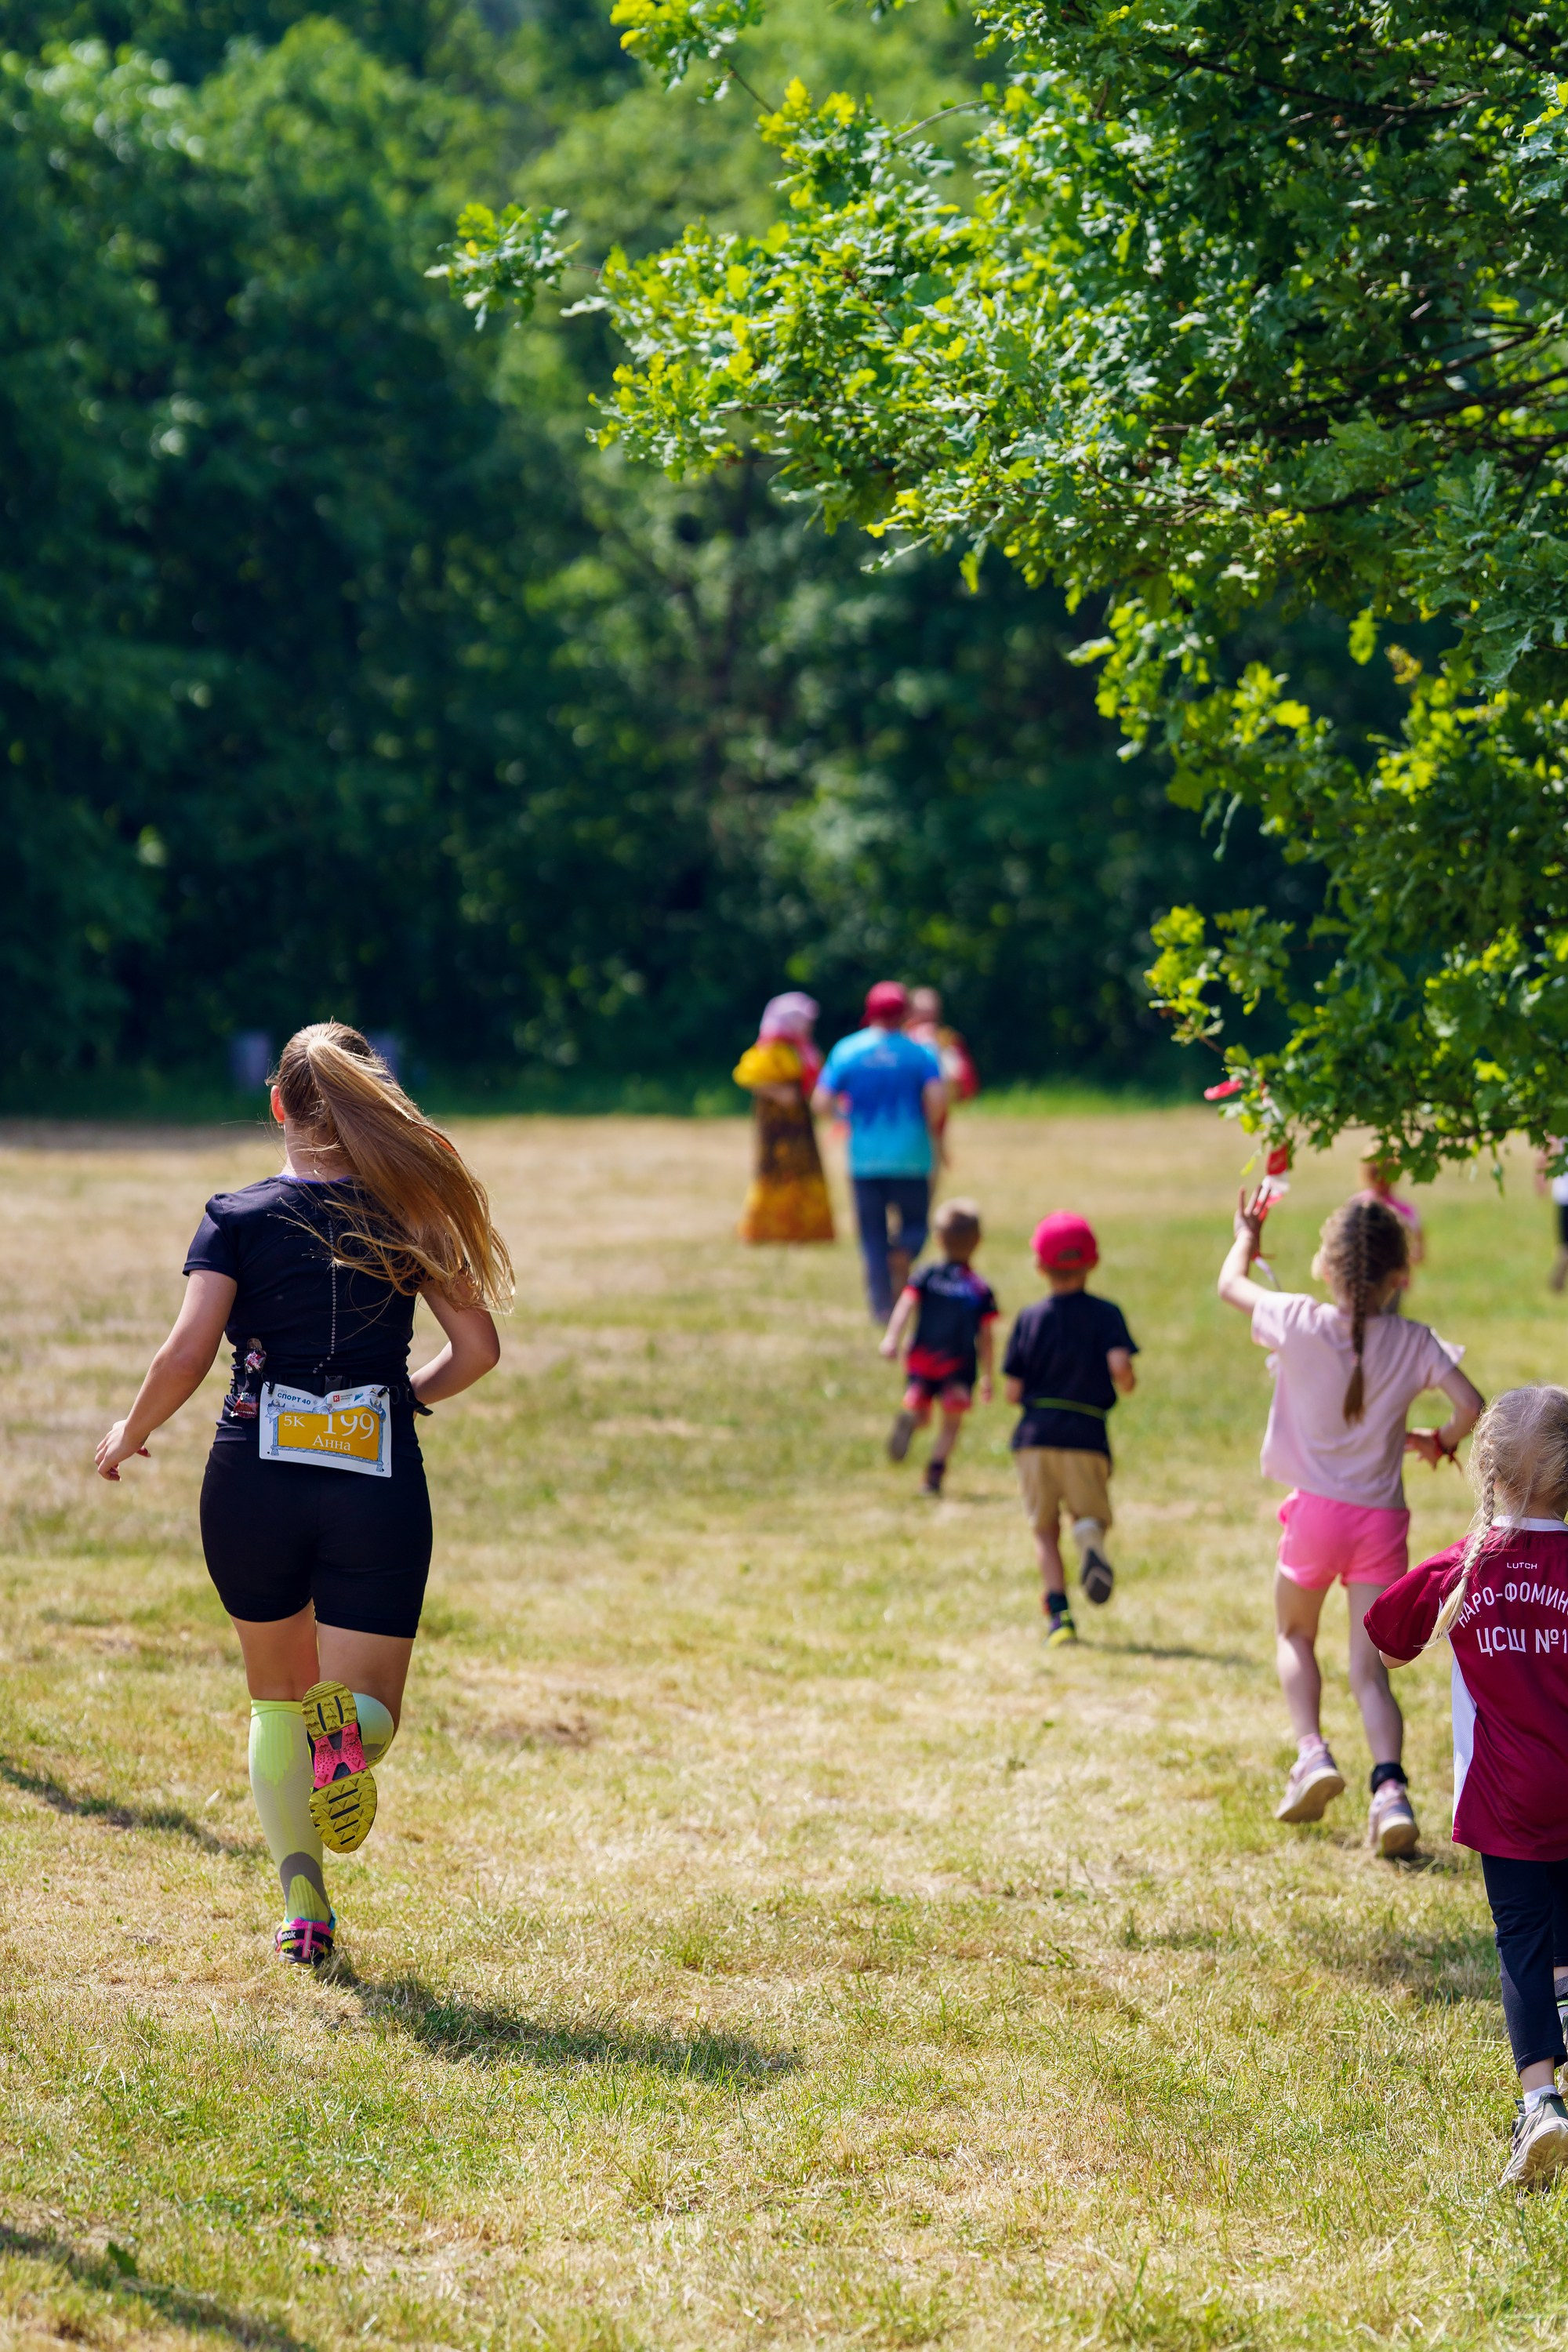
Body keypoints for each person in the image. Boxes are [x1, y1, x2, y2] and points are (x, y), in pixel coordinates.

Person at [94, 1022, 511, 1969]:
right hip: (374, 1482)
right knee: (364, 1713)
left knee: (277, 1702)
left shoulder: (234, 1216)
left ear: (278, 1104)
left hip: (253, 1479)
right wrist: (405, 1398)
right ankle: (350, 1739)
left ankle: (304, 1910)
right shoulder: (412, 1216)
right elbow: (478, 1351)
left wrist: (132, 1428)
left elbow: (186, 1352)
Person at [1218, 1189, 1482, 1852]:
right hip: (1381, 1524)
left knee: (1294, 1633)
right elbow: (1471, 1405)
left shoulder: (1296, 1319)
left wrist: (1247, 1237)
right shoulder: (1414, 1340)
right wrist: (1440, 1441)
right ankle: (1390, 1790)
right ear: (1399, 1276)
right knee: (1370, 1672)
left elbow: (1229, 1285)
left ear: (1326, 1267)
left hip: (1315, 1517)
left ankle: (1312, 1753)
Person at [1367, 1386, 1568, 2187]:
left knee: (1521, 1939)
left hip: (1505, 1794)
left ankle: (1540, 2103)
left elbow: (1387, 1640)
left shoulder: (1470, 1562)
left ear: (1489, 1474)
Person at [1002, 1212, 1137, 1649]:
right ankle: (1089, 1535)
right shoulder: (1106, 1314)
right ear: (1092, 1263)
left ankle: (1059, 1618)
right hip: (1086, 1434)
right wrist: (1127, 1381)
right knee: (1087, 1515)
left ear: (1039, 1266)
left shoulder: (1030, 1318)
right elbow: (1120, 1366)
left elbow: (1012, 1390)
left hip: (1035, 1438)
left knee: (1044, 1530)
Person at [814, 982, 945, 1320]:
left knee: (872, 1234)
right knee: (915, 1224)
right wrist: (924, 1127)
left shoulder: (848, 1050)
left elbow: (821, 1102)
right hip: (912, 1155)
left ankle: (881, 1306)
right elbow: (937, 1101)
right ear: (905, 1013)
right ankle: (904, 1253)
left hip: (864, 1157)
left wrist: (846, 1119)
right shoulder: (920, 1053)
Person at [879, 1198, 997, 1496]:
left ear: (938, 1238)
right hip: (958, 1366)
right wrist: (987, 1375)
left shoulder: (925, 1275)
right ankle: (933, 1476)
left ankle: (912, 1419)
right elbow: (986, 1337)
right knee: (951, 1423)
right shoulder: (978, 1289)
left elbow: (905, 1305)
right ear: (978, 1241)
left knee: (922, 1411)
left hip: (922, 1358)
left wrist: (892, 1338)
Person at [731, 993, 834, 1244]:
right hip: (777, 1124)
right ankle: (768, 1230)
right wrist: (778, 1092)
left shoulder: (803, 1048)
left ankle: (805, 1230)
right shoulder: (770, 1047)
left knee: (803, 1169)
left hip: (800, 1122)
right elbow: (745, 1075)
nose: (809, 1025)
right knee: (774, 1170)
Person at [905, 988, 978, 1105]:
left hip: (945, 1100)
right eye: (922, 1013)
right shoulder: (902, 1039)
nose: (927, 1017)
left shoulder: (949, 1039)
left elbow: (967, 1080)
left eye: (930, 1012)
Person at [1355, 1149, 1425, 1269]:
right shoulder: (1359, 1205)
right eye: (1376, 1174)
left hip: (1396, 1272)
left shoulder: (1405, 1210)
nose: (1382, 1180)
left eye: (1387, 1174)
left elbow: (1419, 1249)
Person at [1533, 1143, 1568, 1293]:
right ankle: (1560, 1272)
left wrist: (1540, 1175)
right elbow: (1547, 1147)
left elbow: (1545, 1149)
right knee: (1564, 1247)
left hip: (1564, 1196)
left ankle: (1560, 1272)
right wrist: (1540, 1175)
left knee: (1565, 1246)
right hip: (1565, 1195)